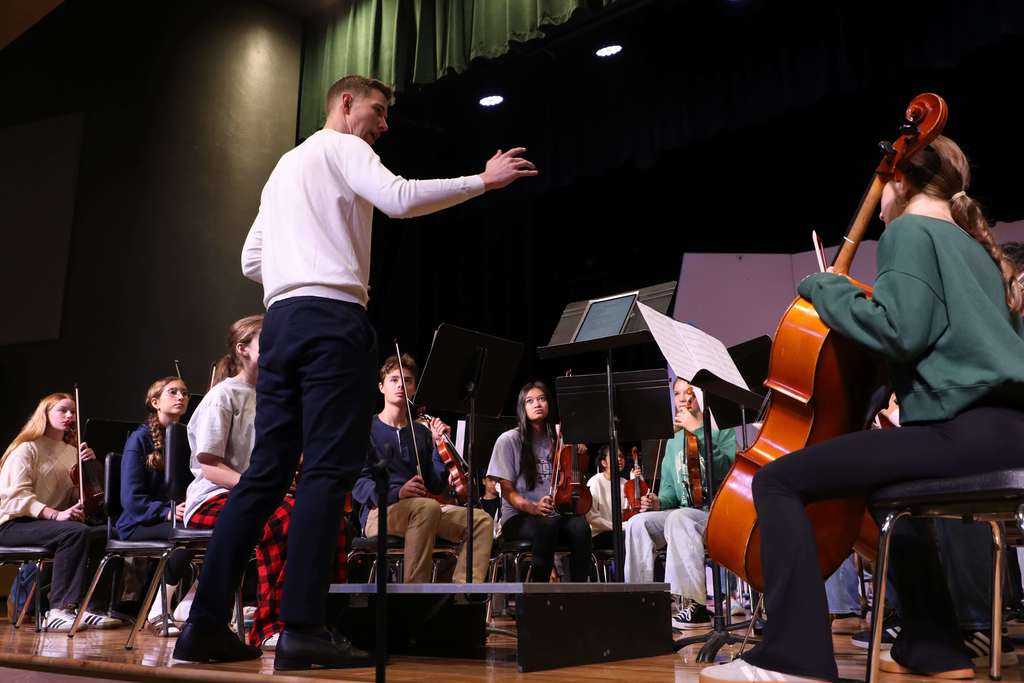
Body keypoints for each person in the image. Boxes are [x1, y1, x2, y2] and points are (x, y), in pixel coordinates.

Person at [174, 74, 535, 669]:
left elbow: (250, 259)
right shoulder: (344, 146)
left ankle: (204, 627)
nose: (384, 124)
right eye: (379, 110)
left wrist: (296, 269)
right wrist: (483, 180)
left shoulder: (283, 167)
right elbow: (400, 198)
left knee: (265, 475)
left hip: (281, 321)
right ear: (345, 103)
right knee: (326, 472)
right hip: (330, 319)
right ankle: (302, 628)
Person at [701, 135, 1024, 682]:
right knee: (879, 488)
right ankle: (932, 646)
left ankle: (793, 659)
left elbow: (901, 332)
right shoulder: (978, 249)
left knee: (777, 481)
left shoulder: (909, 232)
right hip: (1008, 433)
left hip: (962, 432)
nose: (876, 207)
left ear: (899, 181)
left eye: (882, 188)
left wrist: (826, 288)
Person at [352, 354, 493, 583]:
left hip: (423, 510)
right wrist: (397, 492)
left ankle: (462, 593)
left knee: (480, 521)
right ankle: (415, 595)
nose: (401, 385)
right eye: (394, 379)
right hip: (379, 512)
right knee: (426, 508)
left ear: (414, 388)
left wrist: (438, 447)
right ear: (381, 387)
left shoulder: (421, 433)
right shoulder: (366, 429)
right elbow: (359, 484)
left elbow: (435, 485)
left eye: (407, 380)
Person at [0, 393, 120, 631]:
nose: (69, 416)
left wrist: (89, 470)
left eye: (73, 412)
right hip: (13, 524)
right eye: (62, 410)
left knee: (107, 533)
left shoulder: (71, 452)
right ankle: (59, 609)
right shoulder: (26, 448)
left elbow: (77, 496)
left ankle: (90, 607)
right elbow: (15, 497)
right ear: (44, 414)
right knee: (74, 533)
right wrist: (56, 515)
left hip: (49, 526)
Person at [624, 377, 736, 630]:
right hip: (684, 512)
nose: (683, 399)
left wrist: (699, 432)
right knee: (637, 523)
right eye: (677, 394)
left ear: (701, 396)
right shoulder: (673, 440)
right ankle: (640, 600)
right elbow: (670, 494)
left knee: (680, 517)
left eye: (689, 392)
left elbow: (728, 472)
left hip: (716, 512)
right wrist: (657, 502)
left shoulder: (720, 430)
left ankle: (695, 606)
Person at [487, 382, 593, 582]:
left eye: (542, 399)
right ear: (522, 407)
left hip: (556, 515)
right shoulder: (509, 440)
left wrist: (578, 452)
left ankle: (579, 592)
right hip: (518, 518)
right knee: (547, 525)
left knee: (581, 527)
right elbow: (507, 490)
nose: (537, 404)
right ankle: (538, 592)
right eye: (530, 401)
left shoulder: (559, 438)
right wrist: (533, 507)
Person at [117, 376, 193, 636]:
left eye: (185, 393)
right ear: (155, 402)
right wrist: (167, 511)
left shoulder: (185, 439)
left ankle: (189, 604)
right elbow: (131, 500)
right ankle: (157, 611)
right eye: (173, 392)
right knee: (186, 538)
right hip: (138, 522)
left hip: (173, 518)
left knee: (215, 533)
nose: (181, 397)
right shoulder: (140, 440)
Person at [585, 445, 629, 549]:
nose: (619, 459)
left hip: (621, 530)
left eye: (621, 456)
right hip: (600, 534)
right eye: (615, 456)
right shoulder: (595, 482)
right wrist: (618, 526)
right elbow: (592, 518)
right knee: (628, 538)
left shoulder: (626, 483)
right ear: (604, 462)